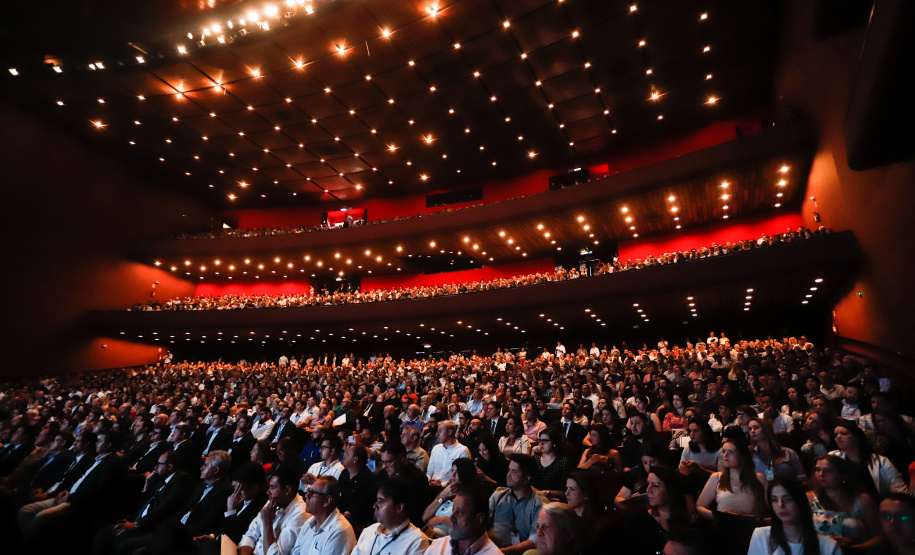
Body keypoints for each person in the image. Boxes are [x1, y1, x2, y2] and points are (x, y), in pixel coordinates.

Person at [808, 454, 884, 551]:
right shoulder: (809, 499)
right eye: (818, 470)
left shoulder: (862, 500)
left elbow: (881, 536)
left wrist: (858, 547)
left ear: (843, 476)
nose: (821, 474)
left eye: (828, 471)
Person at [748, 477, 839, 555]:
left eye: (788, 499)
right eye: (774, 500)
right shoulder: (761, 536)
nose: (780, 505)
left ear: (800, 501)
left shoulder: (828, 546)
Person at [238, 467, 311, 555]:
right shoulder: (272, 501)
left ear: (287, 490)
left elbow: (276, 554)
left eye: (272, 487)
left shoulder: (300, 514)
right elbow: (250, 535)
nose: (268, 492)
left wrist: (267, 522)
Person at [625, 465, 697, 554]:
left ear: (671, 490)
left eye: (655, 485)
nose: (648, 490)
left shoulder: (689, 521)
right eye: (648, 484)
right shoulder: (640, 519)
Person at [830, 420, 908, 497]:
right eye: (836, 435)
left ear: (857, 438)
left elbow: (899, 489)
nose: (838, 437)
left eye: (844, 434)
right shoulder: (833, 457)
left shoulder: (881, 461)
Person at [488, 454, 547, 554]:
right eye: (509, 470)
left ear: (527, 478)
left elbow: (535, 538)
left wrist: (502, 552)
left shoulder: (539, 504)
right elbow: (482, 525)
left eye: (514, 472)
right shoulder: (498, 496)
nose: (508, 475)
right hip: (492, 549)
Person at [352, 478, 430, 555]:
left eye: (381, 501)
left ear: (399, 507)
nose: (375, 505)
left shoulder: (416, 542)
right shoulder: (370, 530)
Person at [696, 438, 767, 520]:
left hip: (750, 525)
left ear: (742, 455)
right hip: (723, 525)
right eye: (723, 451)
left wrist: (750, 519)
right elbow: (699, 507)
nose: (725, 455)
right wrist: (722, 517)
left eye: (731, 452)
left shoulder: (759, 478)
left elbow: (773, 509)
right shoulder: (716, 478)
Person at [423, 484, 502, 555]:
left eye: (460, 513)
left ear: (479, 519)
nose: (452, 518)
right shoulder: (438, 545)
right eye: (453, 510)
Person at [422, 458, 489, 538]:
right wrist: (442, 497)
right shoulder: (446, 492)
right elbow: (425, 517)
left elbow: (469, 528)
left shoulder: (471, 498)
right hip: (431, 534)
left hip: (452, 538)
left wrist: (442, 520)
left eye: (457, 472)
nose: (452, 475)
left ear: (465, 476)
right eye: (452, 471)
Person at [290, 476, 356, 555]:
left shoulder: (339, 531)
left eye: (312, 493)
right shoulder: (309, 523)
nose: (306, 496)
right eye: (308, 491)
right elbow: (295, 553)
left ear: (327, 500)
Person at [378, 441, 430, 526]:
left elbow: (416, 513)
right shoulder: (382, 474)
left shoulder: (418, 479)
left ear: (401, 458)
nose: (385, 466)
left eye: (389, 462)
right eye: (383, 462)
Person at [565, 470, 612, 553]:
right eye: (567, 488)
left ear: (585, 494)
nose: (566, 493)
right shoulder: (564, 517)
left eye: (572, 489)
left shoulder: (599, 525)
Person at [747, 417, 807, 482]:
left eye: (756, 427)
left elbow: (802, 478)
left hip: (789, 487)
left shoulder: (788, 452)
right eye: (750, 429)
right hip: (762, 487)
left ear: (766, 429)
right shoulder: (750, 454)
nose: (752, 431)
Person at [338, 443, 379, 530]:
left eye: (347, 454)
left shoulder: (368, 478)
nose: (344, 455)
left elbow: (364, 503)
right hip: (340, 517)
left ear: (355, 459)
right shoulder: (344, 473)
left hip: (357, 522)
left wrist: (347, 514)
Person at [427, 421, 471, 487]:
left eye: (440, 431)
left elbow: (463, 477)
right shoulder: (436, 448)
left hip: (452, 488)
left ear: (449, 432)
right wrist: (428, 480)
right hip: (432, 486)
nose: (437, 434)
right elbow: (429, 472)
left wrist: (441, 485)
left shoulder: (462, 450)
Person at [532, 427, 572, 498]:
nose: (541, 443)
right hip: (532, 497)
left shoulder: (563, 462)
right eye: (540, 440)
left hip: (552, 499)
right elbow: (525, 482)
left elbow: (565, 491)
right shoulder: (535, 459)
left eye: (545, 441)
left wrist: (547, 493)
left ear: (554, 443)